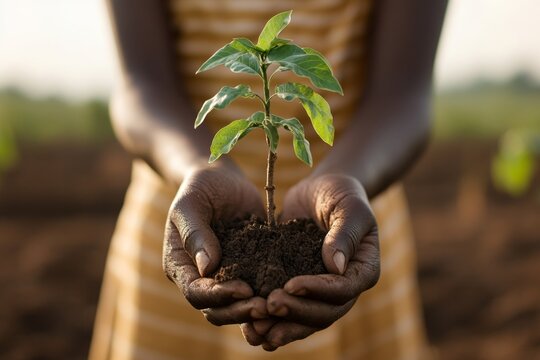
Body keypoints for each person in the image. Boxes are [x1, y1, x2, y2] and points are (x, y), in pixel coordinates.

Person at [90, 0, 447, 358]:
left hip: (347, 214)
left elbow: (405, 92)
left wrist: (347, 177)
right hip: (191, 213)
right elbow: (140, 84)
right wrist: (199, 166)